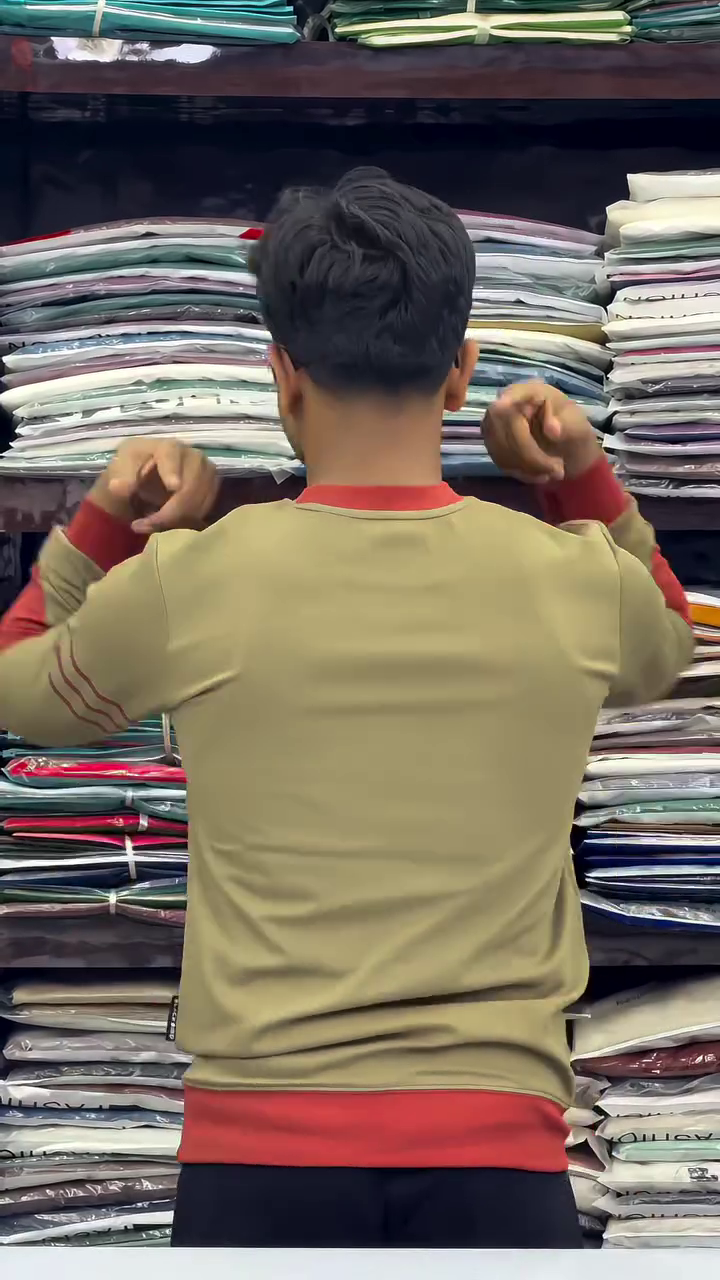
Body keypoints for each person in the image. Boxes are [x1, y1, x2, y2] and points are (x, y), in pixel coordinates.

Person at [0, 169, 692, 1250]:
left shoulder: (194, 578)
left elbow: (22, 689)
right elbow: (668, 639)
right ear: (460, 371)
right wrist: (577, 476)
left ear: (283, 375)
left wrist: (104, 521)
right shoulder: (576, 577)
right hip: (496, 1156)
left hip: (256, 1160)